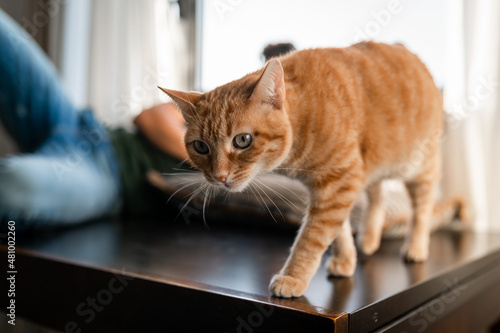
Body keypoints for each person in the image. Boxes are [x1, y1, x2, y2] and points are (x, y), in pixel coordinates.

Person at [0, 9, 188, 231]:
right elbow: (152, 117)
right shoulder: (216, 112)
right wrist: (208, 156)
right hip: (86, 128)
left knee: (11, 188)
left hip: (108, 179)